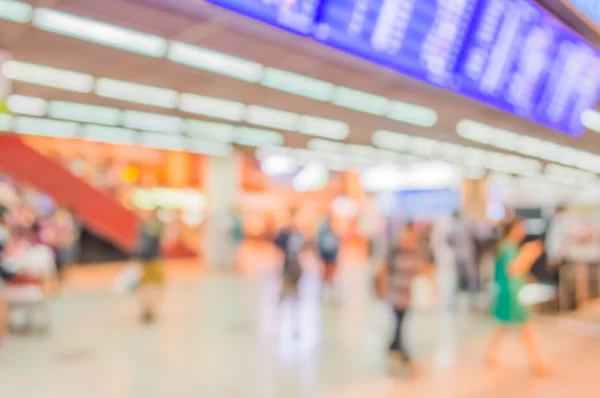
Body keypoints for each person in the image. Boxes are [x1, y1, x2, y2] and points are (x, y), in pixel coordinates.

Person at [486, 218, 555, 375]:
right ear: (513, 229)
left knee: (505, 326)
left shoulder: (506, 246)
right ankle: (538, 363)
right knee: (526, 328)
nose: (523, 231)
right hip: (512, 293)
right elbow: (513, 269)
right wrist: (529, 254)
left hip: (509, 291)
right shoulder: (508, 247)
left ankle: (492, 355)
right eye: (520, 228)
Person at [385, 221, 432, 375]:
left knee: (400, 325)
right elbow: (385, 269)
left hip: (408, 295)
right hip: (395, 294)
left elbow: (425, 268)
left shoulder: (417, 251)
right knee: (399, 325)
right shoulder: (397, 250)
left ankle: (394, 348)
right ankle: (402, 353)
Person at [135, 208, 167, 324]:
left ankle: (147, 309)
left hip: (145, 259)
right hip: (152, 259)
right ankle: (149, 309)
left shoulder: (143, 225)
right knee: (153, 285)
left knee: (147, 285)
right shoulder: (153, 225)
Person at [274, 210, 305, 302]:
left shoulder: (297, 234)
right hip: (289, 260)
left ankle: (294, 296)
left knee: (293, 279)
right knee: (286, 279)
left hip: (293, 260)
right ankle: (283, 297)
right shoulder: (285, 234)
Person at [317, 213, 341, 304]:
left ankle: (331, 296)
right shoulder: (324, 231)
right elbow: (320, 245)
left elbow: (336, 244)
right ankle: (324, 295)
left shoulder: (333, 231)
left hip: (330, 257)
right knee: (325, 277)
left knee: (331, 277)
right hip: (326, 257)